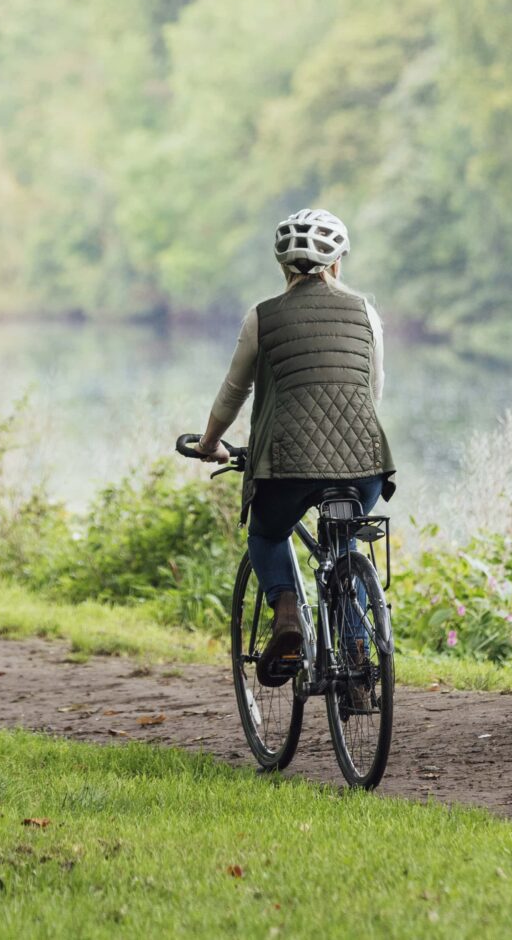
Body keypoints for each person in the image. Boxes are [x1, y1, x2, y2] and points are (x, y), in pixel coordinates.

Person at [189, 207, 395, 709]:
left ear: (283, 266)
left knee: (266, 533)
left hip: (287, 466)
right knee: (345, 548)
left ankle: (285, 611)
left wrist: (209, 442)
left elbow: (234, 391)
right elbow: (372, 391)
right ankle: (359, 668)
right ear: (337, 263)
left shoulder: (262, 316)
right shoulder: (366, 313)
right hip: (364, 462)